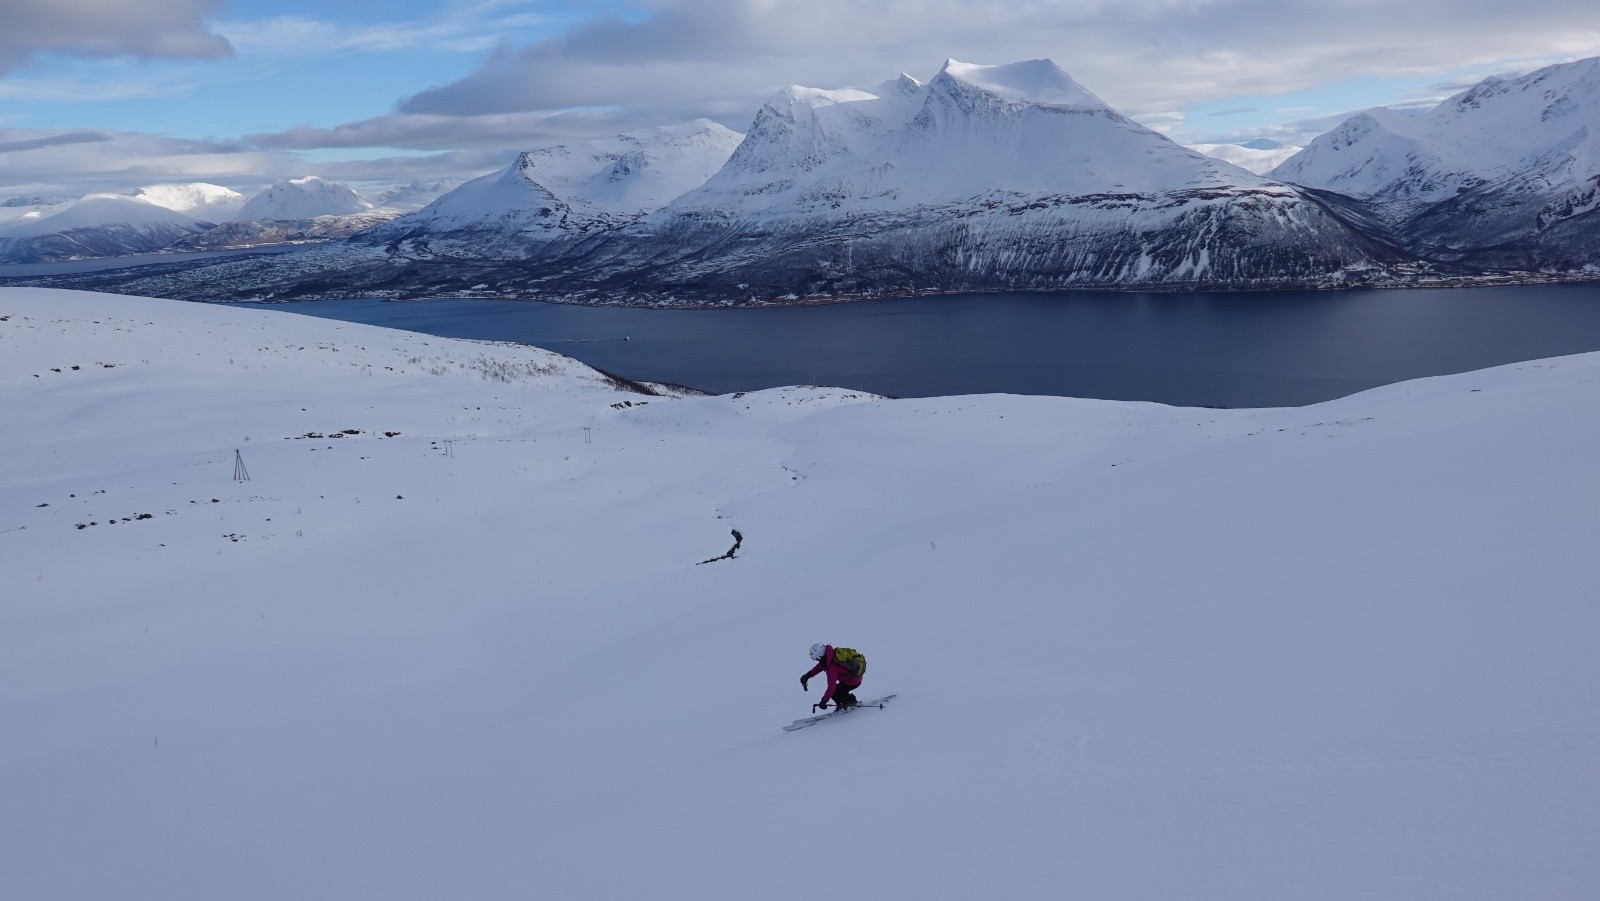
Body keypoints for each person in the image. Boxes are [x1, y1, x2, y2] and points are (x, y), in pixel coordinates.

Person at [800, 643, 866, 710]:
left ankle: (852, 705)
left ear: (820, 657)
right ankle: (846, 705)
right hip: (852, 678)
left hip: (852, 681)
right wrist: (807, 675)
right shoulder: (831, 655)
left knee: (835, 692)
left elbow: (831, 687)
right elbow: (819, 667)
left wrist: (823, 701)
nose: (818, 661)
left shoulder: (831, 667)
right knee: (837, 691)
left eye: (817, 659)